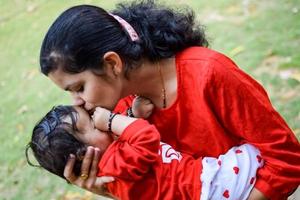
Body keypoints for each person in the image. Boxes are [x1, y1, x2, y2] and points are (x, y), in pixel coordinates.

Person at [38, 1, 300, 199]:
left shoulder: (209, 74)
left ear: (112, 63)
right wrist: (108, 187)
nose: (78, 102)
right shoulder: (120, 110)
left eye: (80, 88)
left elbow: (287, 161)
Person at [26, 97, 263, 200]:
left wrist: (130, 114)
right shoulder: (115, 165)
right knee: (256, 154)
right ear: (83, 152)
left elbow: (127, 136)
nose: (98, 118)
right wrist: (110, 120)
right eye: (91, 122)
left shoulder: (112, 166)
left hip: (202, 184)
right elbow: (145, 136)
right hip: (206, 187)